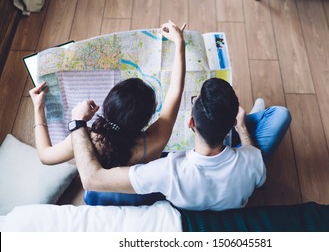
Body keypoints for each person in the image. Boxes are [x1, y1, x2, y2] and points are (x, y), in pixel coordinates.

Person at [71, 78, 291, 211]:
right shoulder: (252, 159)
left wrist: (78, 123)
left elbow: (91, 180)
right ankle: (249, 119)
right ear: (232, 124)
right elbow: (261, 183)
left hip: (185, 199)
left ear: (190, 122)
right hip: (232, 184)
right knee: (279, 115)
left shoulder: (167, 170)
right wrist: (243, 130)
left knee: (93, 195)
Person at [29, 20, 186, 169]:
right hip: (138, 193)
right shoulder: (156, 139)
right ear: (146, 119)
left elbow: (45, 156)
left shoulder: (85, 139)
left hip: (99, 193)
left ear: (107, 105)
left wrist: (38, 108)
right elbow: (175, 91)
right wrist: (179, 43)